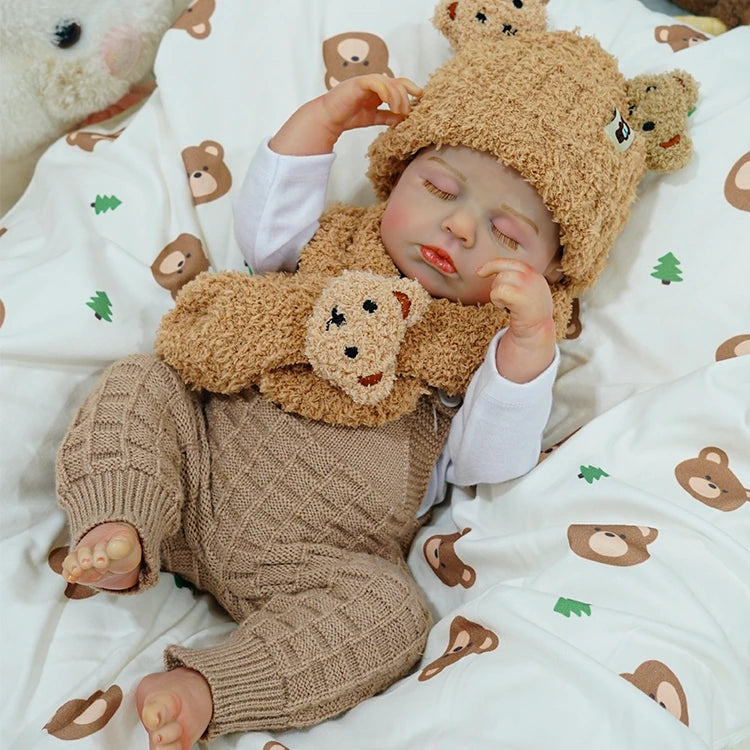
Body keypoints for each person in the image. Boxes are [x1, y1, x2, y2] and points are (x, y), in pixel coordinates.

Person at [56, 29, 648, 750]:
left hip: (313, 566)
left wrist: (527, 348)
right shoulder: (331, 245)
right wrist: (322, 124)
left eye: (508, 233)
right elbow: (264, 228)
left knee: (393, 616)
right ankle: (118, 525)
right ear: (396, 174)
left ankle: (211, 688)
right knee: (140, 382)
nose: (459, 226)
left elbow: (489, 462)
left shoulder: (481, 350)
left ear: (549, 275)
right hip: (191, 465)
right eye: (438, 188)